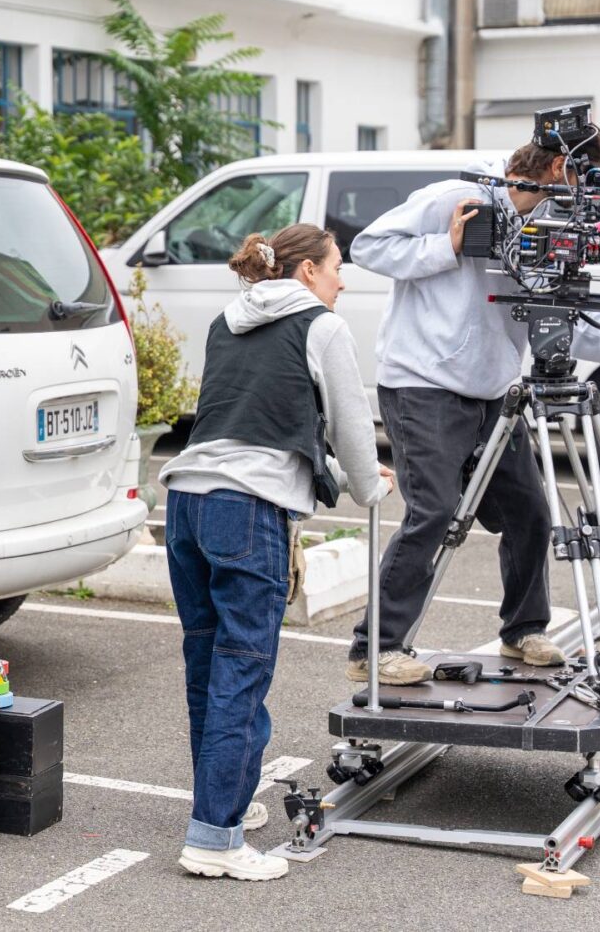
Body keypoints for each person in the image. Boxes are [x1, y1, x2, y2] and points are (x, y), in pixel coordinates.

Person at [346, 131, 600, 685]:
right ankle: (376, 649)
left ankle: (522, 630)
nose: (584, 193)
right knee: (434, 512)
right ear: (560, 166)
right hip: (422, 385)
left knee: (530, 514)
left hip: (494, 393)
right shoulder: (456, 197)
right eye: (581, 177)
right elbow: (368, 246)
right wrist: (446, 246)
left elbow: (567, 322)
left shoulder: (548, 221)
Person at [159, 224, 391, 882]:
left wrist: (336, 474)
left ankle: (221, 806)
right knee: (241, 669)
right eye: (337, 266)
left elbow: (253, 426)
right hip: (247, 510)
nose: (342, 281)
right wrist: (368, 485)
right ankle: (215, 837)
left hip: (187, 500)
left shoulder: (225, 321)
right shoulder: (323, 327)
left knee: (209, 662)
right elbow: (350, 426)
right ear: (308, 271)